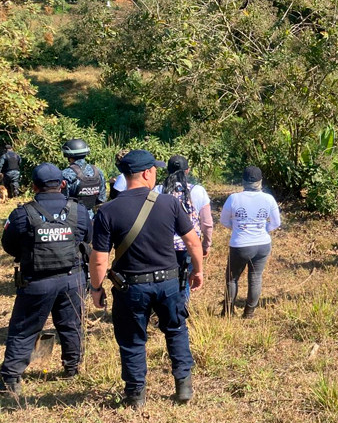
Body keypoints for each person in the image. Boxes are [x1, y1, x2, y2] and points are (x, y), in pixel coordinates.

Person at [89, 149, 203, 409]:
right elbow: (193, 243)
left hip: (131, 287)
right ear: (147, 173)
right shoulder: (169, 203)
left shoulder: (107, 211)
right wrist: (198, 271)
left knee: (131, 340)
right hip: (169, 283)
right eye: (154, 170)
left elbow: (98, 259)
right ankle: (183, 385)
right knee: (176, 331)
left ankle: (135, 395)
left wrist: (96, 288)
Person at [0, 163, 92, 395]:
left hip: (36, 281)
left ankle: (11, 378)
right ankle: (73, 366)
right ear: (62, 184)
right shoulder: (79, 211)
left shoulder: (22, 213)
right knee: (72, 325)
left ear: (34, 186)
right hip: (73, 278)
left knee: (24, 329)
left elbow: (8, 244)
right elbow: (88, 238)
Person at [219, 166, 281, 319]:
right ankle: (249, 313)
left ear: (243, 181)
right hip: (262, 244)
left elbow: (223, 220)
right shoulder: (268, 199)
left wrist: (238, 228)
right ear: (260, 182)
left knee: (232, 278)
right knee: (255, 278)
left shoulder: (234, 198)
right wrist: (263, 228)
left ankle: (227, 311)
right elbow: (276, 223)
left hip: (241, 244)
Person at [155, 155, 213, 300]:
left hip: (162, 246)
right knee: (185, 280)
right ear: (187, 171)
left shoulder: (157, 190)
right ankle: (181, 313)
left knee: (164, 280)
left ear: (167, 171)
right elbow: (207, 223)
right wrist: (206, 245)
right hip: (189, 246)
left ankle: (162, 312)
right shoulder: (198, 191)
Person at [61, 139, 107, 214]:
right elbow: (101, 198)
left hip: (70, 217)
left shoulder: (66, 174)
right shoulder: (98, 172)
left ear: (68, 156)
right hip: (90, 217)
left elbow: (61, 200)